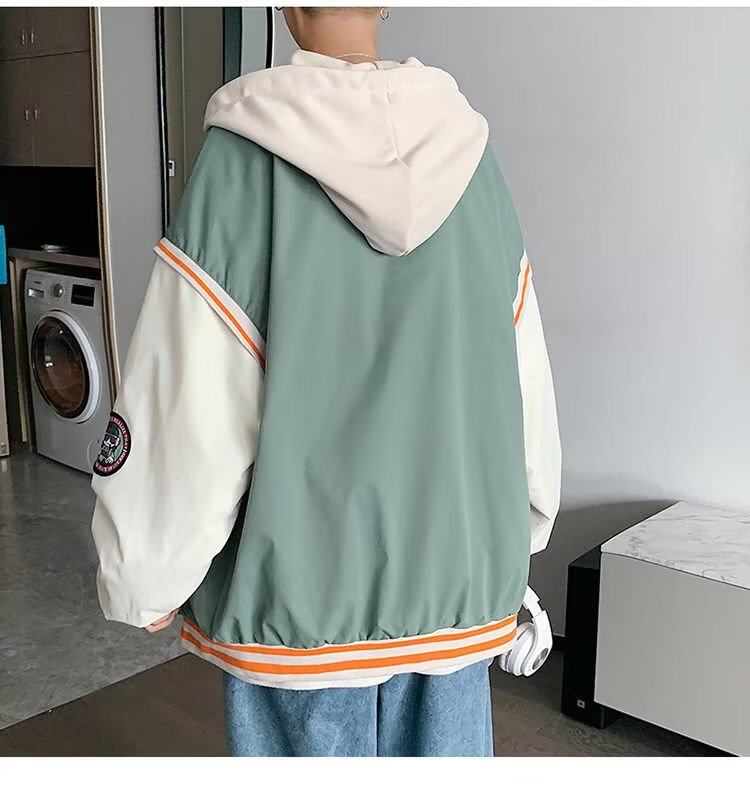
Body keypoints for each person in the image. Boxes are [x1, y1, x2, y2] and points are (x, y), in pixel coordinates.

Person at [90, 6, 561, 757]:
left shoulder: (243, 163)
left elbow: (195, 399)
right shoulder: (475, 166)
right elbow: (521, 378)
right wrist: (518, 531)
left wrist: (144, 572)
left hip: (300, 607)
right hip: (458, 580)